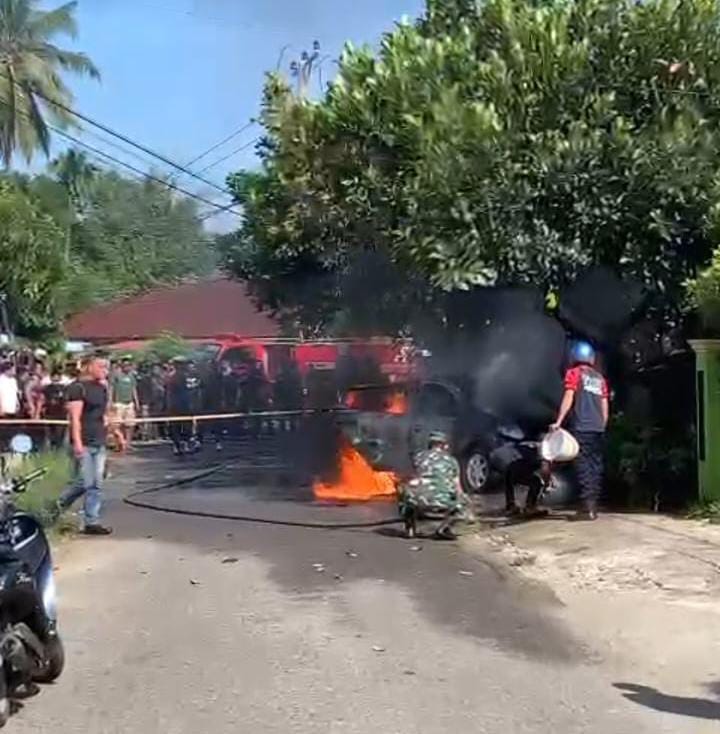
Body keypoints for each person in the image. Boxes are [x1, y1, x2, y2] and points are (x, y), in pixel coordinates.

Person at [551, 340, 609, 520]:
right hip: (598, 428)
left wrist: (558, 422)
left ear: (575, 356)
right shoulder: (599, 378)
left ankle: (587, 507)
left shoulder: (574, 374)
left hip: (582, 427)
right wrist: (602, 424)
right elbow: (604, 404)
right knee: (595, 466)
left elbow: (569, 397)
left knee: (583, 466)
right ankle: (592, 505)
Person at [57, 354, 112, 535]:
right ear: (89, 367)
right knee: (84, 482)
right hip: (84, 440)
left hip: (99, 440)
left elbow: (103, 414)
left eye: (106, 367)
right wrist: (78, 443)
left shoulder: (103, 388)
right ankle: (56, 506)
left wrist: (111, 434)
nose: (105, 370)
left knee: (96, 483)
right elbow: (74, 418)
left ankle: (92, 521)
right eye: (101, 366)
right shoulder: (78, 388)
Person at [397, 430, 471, 540]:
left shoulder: (419, 457)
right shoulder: (451, 461)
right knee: (464, 503)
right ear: (444, 445)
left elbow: (412, 478)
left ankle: (410, 528)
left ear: (430, 444)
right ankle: (444, 528)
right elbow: (457, 487)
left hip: (419, 500)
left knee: (403, 490)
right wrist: (464, 500)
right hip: (444, 502)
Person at [110, 357, 138, 452]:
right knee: (116, 425)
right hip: (118, 403)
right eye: (125, 365)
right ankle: (118, 444)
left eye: (129, 365)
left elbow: (134, 389)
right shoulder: (116, 375)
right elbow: (111, 389)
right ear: (122, 366)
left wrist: (136, 402)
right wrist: (110, 402)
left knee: (130, 425)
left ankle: (128, 444)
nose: (127, 367)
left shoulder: (132, 376)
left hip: (129, 403)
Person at [42, 369, 68, 449]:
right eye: (54, 376)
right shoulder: (46, 388)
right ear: (51, 377)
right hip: (49, 415)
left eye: (58, 376)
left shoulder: (65, 388)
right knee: (48, 437)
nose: (56, 378)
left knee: (59, 437)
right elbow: (42, 400)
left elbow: (67, 401)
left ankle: (58, 454)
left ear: (60, 377)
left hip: (61, 416)